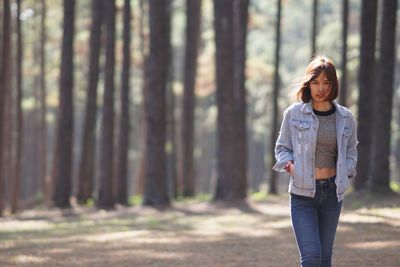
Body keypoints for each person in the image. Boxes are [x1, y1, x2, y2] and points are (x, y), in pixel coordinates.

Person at [272, 55, 358, 267]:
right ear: (308, 84)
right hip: (302, 194)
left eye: (326, 82)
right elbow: (282, 148)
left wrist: (346, 171)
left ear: (333, 84)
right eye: (316, 82)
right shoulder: (293, 113)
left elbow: (351, 152)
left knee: (325, 258)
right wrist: (291, 166)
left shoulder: (345, 117)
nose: (321, 88)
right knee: (311, 257)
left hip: (332, 193)